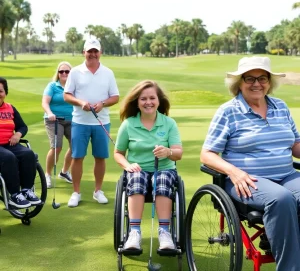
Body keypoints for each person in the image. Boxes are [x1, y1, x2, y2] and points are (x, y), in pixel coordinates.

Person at [200, 56, 300, 271]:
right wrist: (233, 172)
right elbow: (207, 154)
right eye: (249, 78)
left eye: (262, 78)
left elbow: (296, 146)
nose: (256, 84)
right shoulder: (228, 111)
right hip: (248, 181)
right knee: (281, 199)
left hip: (287, 175)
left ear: (269, 82)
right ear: (239, 83)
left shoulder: (280, 107)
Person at [114, 80, 183, 250]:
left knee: (162, 178)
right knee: (136, 178)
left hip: (164, 169)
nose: (148, 102)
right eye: (143, 99)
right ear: (137, 102)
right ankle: (134, 233)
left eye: (152, 98)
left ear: (159, 100)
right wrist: (127, 165)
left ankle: (164, 233)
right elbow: (118, 153)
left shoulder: (169, 123)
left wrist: (168, 152)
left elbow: (178, 153)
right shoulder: (128, 124)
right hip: (138, 170)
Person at [64, 38, 119, 207]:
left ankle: (98, 191)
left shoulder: (108, 73)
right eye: (90, 51)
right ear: (84, 52)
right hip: (80, 122)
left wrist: (103, 103)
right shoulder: (75, 72)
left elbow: (115, 97)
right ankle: (76, 192)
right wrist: (81, 103)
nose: (93, 54)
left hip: (101, 122)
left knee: (100, 157)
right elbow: (67, 95)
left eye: (96, 51)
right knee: (77, 156)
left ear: (100, 53)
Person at [0, 77, 41, 208]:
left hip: (10, 144)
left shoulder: (10, 108)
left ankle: (27, 190)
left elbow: (22, 126)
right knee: (8, 157)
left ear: (5, 93)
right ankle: (14, 195)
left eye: (0, 91)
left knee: (29, 154)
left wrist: (18, 134)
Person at [42, 61, 73, 189]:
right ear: (58, 74)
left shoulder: (74, 86)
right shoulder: (52, 86)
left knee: (76, 147)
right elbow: (45, 102)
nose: (64, 73)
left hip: (72, 120)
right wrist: (49, 113)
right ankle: (47, 175)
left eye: (67, 71)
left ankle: (64, 172)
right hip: (54, 120)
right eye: (61, 71)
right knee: (56, 147)